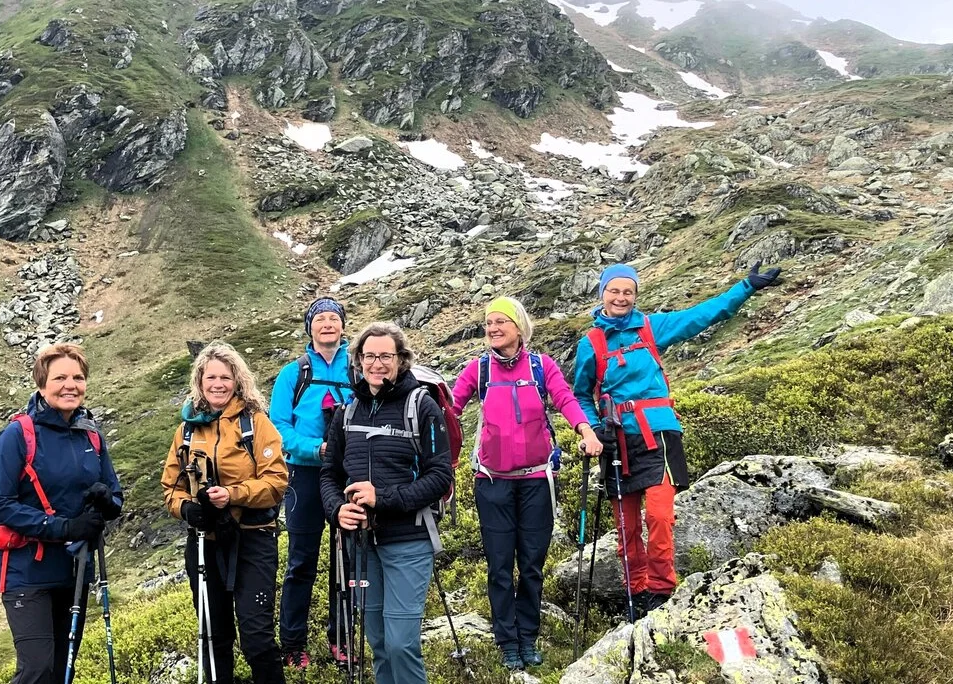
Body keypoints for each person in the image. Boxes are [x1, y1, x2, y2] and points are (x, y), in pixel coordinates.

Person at [572, 262, 782, 618]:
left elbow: (701, 316)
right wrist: (593, 428)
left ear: (635, 295)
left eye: (628, 292)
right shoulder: (590, 344)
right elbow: (580, 394)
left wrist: (746, 287)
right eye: (614, 291)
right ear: (602, 293)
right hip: (616, 441)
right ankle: (637, 592)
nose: (621, 297)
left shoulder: (651, 327)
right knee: (626, 527)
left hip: (659, 434)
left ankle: (661, 590)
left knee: (659, 516)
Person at [450, 297, 604, 670]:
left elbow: (565, 399)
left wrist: (586, 430)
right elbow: (450, 409)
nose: (493, 328)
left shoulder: (541, 366)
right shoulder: (478, 369)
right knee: (500, 565)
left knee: (532, 564)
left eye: (500, 322)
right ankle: (507, 641)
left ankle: (528, 636)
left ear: (519, 327)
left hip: (537, 479)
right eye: (488, 323)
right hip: (492, 482)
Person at [320, 322, 453, 684]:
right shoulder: (347, 413)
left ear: (401, 359)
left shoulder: (421, 406)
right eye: (369, 356)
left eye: (385, 356)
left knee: (400, 644)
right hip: (361, 544)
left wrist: (382, 498)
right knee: (378, 641)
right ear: (358, 360)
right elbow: (329, 474)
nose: (376, 364)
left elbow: (440, 476)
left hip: (409, 540)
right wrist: (337, 510)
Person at [0, 343, 123, 684]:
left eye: (78, 378)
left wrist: (105, 500)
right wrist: (65, 527)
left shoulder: (91, 435)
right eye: (60, 378)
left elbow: (116, 498)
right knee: (37, 670)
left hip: (74, 572)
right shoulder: (17, 435)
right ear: (41, 384)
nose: (70, 386)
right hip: (26, 572)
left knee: (64, 671)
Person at [161, 342, 288, 684]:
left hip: (253, 538)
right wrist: (187, 508)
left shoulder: (255, 424)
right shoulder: (187, 430)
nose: (218, 384)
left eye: (225, 378)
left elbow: (276, 482)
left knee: (257, 637)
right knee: (213, 636)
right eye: (211, 378)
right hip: (204, 542)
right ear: (199, 382)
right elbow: (171, 488)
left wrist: (232, 495)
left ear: (237, 381)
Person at [269, 297, 355, 669]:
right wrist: (315, 448)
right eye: (320, 319)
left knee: (348, 561)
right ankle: (292, 643)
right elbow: (278, 428)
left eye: (333, 318)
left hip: (348, 475)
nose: (327, 324)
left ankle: (342, 638)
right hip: (304, 474)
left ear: (343, 326)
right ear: (310, 328)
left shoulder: (358, 367)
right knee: (301, 561)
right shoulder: (293, 373)